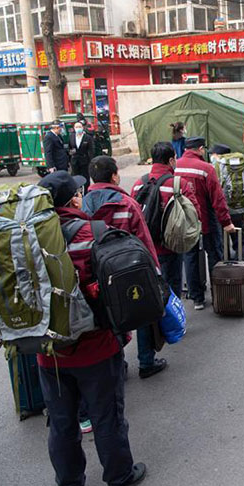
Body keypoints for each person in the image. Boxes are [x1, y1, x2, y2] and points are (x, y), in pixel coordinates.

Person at [36, 170, 146, 486]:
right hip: (95, 348)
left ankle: (70, 485)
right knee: (106, 416)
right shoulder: (92, 232)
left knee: (61, 420)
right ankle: (118, 478)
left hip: (48, 351)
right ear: (72, 199)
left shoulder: (28, 237)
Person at [82, 156, 168, 379]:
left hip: (100, 273)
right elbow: (144, 239)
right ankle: (146, 362)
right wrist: (156, 273)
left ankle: (118, 365)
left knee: (109, 317)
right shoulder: (127, 203)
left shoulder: (83, 205)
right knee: (142, 313)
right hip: (132, 269)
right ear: (114, 176)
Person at [132, 142, 200, 300]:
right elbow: (194, 214)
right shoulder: (177, 184)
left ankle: (156, 321)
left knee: (151, 288)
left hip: (146, 248)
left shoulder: (138, 184)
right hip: (170, 247)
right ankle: (173, 322)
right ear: (171, 160)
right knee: (172, 288)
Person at [176, 136, 236, 309]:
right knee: (214, 255)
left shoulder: (175, 167)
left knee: (190, 257)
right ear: (200, 149)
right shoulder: (206, 168)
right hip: (206, 219)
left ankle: (196, 298)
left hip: (185, 221)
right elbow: (218, 199)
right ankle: (219, 293)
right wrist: (226, 222)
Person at [69, 121, 95, 191]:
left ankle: (86, 191)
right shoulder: (71, 136)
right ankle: (78, 191)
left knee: (85, 177)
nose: (78, 128)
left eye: (79, 127)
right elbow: (69, 148)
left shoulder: (87, 137)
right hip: (74, 161)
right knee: (75, 177)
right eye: (76, 127)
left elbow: (91, 150)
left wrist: (91, 161)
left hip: (84, 160)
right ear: (74, 128)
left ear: (83, 128)